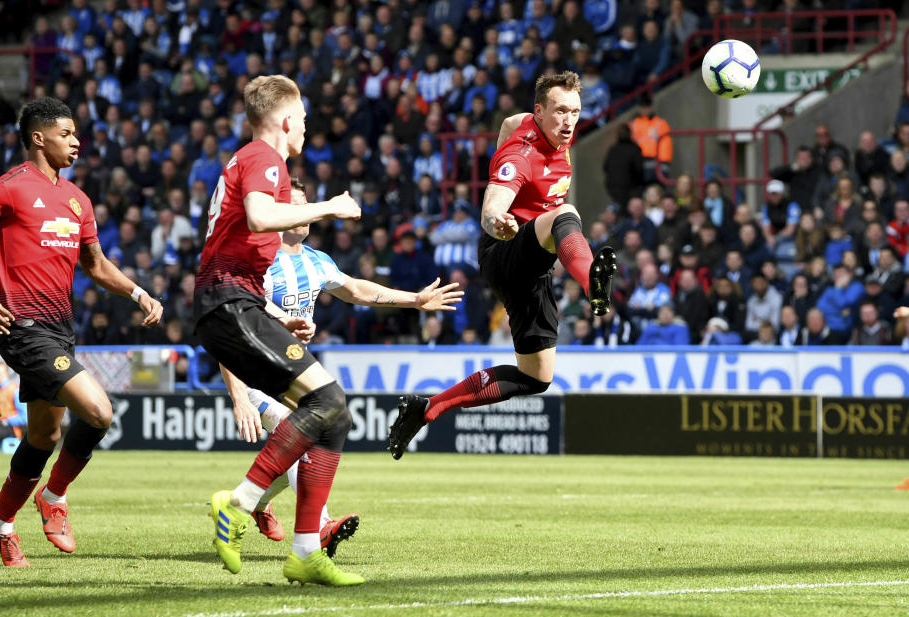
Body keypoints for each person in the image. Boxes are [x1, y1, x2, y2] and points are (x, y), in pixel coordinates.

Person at [0, 97, 163, 567]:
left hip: (61, 329)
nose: (77, 141)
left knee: (44, 436)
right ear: (39, 138)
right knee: (99, 411)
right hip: (22, 327)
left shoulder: (77, 199)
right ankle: (54, 497)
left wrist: (137, 293)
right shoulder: (7, 187)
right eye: (67, 133)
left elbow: (97, 265)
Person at [221, 178, 461, 556]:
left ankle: (247, 503)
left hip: (291, 376)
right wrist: (239, 397)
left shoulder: (316, 261)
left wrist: (415, 300)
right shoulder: (255, 259)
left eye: (307, 204)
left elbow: (358, 290)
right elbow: (228, 324)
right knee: (303, 438)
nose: (305, 214)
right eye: (296, 205)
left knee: (296, 448)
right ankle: (319, 529)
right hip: (254, 375)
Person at [388, 71, 616, 459]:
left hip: (533, 265)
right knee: (565, 213)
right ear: (540, 112)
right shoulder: (521, 156)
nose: (569, 121)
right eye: (560, 111)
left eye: (575, 112)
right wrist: (499, 220)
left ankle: (427, 408)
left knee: (535, 378)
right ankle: (592, 279)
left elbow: (511, 123)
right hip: (504, 251)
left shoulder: (537, 126)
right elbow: (492, 204)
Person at [192, 75, 364, 587]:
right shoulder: (266, 158)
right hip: (228, 300)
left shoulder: (250, 161)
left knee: (332, 416)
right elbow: (261, 216)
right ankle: (239, 503)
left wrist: (270, 315)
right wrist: (330, 206)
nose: (307, 129)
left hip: (237, 302)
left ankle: (306, 550)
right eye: (305, 120)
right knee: (328, 400)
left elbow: (240, 229)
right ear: (287, 121)